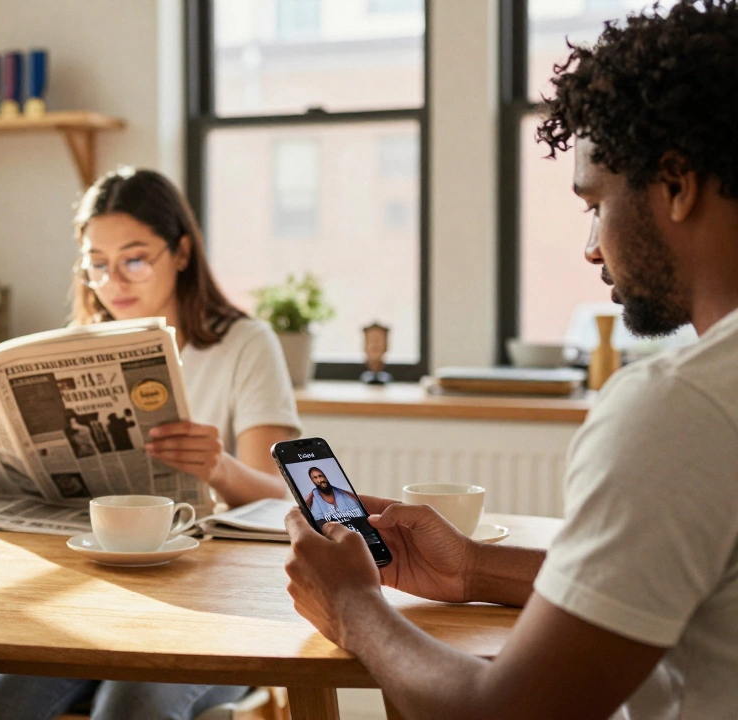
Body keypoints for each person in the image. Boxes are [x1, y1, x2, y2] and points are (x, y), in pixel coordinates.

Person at [283, 3, 738, 718]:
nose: (591, 246)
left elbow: (508, 712)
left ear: (677, 185)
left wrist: (354, 610)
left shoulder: (684, 406)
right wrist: (473, 566)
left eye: (596, 203)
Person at [0, 168, 302, 719]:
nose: (114, 282)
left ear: (181, 253)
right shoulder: (70, 347)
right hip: (90, 601)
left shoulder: (245, 344)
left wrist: (219, 468)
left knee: (129, 706)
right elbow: (18, 490)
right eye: (98, 264)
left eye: (135, 259)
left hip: (210, 606)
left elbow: (283, 499)